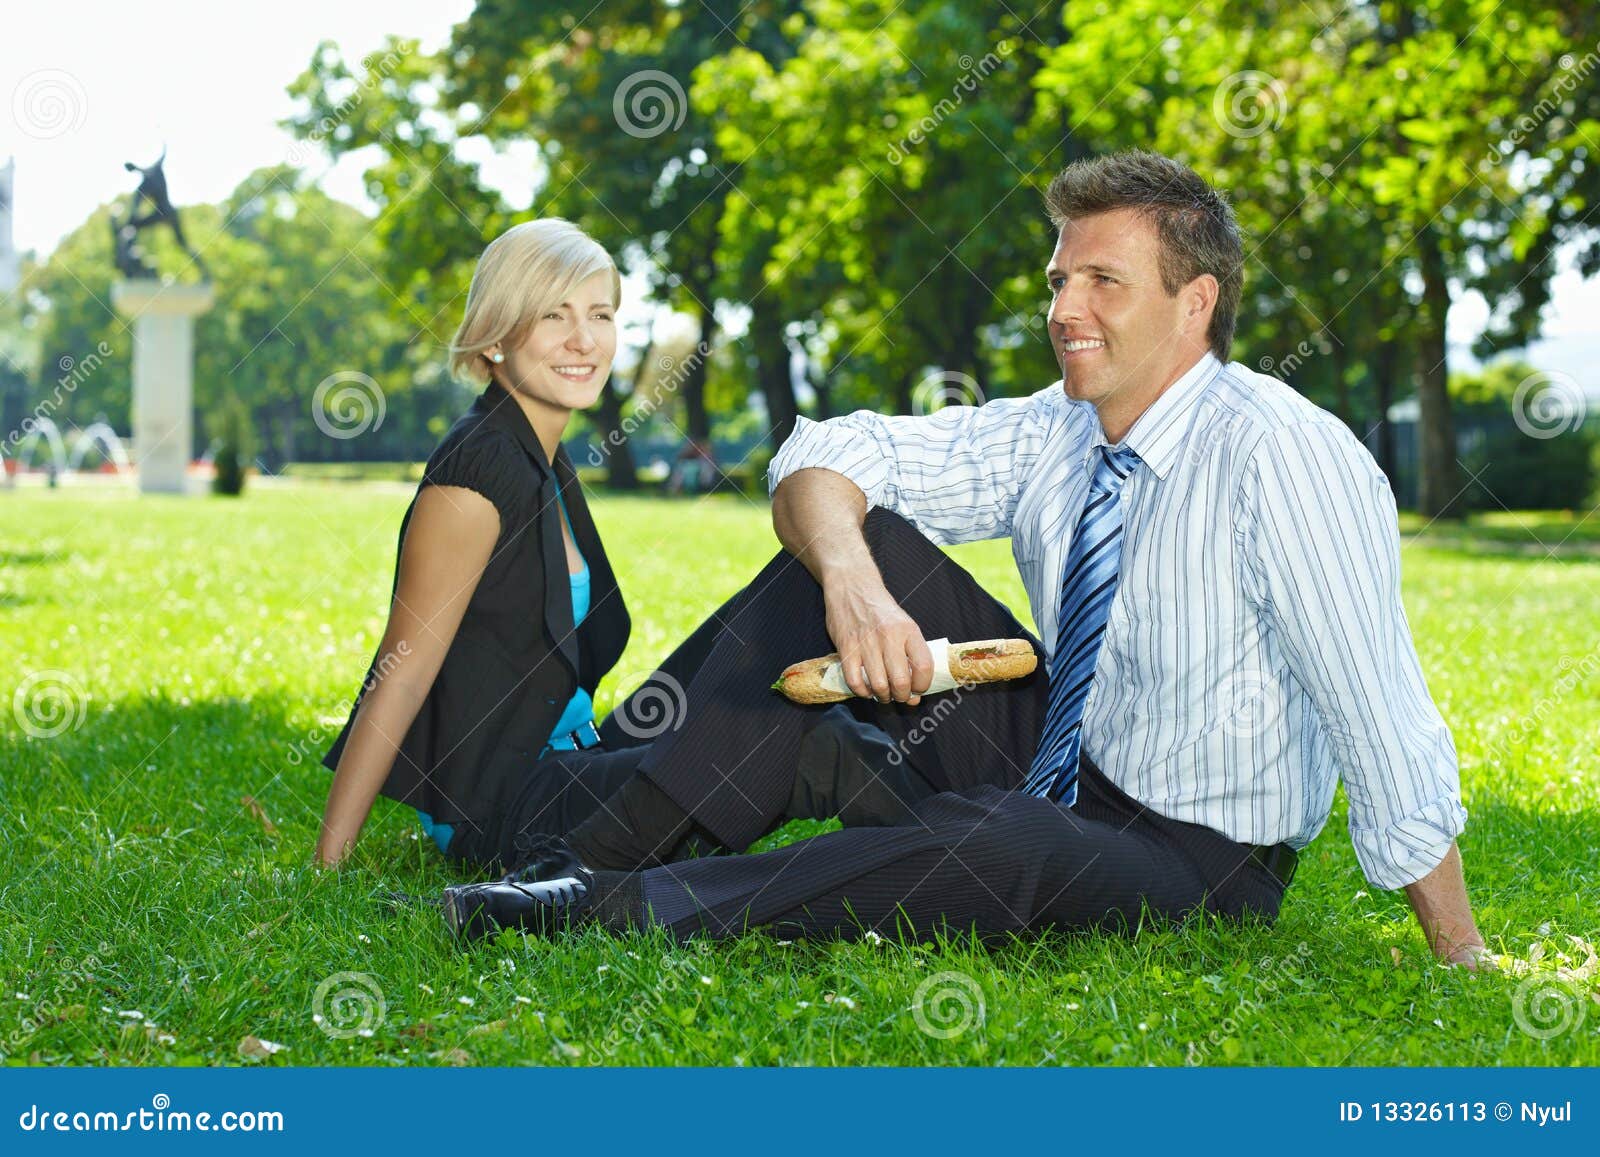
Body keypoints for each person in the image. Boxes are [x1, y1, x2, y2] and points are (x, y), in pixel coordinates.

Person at [441, 151, 1490, 971]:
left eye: (1102, 283)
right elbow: (827, 453)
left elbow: (1375, 703)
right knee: (853, 544)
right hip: (1052, 751)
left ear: (1195, 303)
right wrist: (854, 584)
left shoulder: (1284, 454)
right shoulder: (1057, 428)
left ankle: (600, 906)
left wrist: (1457, 945)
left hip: (1194, 854)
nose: (1063, 309)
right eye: (1058, 278)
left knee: (998, 841)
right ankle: (562, 838)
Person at [313, 219, 947, 875]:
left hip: (578, 756)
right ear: (498, 335)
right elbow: (402, 669)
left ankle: (983, 796)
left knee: (802, 584)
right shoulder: (476, 474)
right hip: (513, 811)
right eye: (553, 315)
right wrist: (328, 862)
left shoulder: (540, 458)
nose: (585, 340)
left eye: (600, 314)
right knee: (815, 742)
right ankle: (971, 856)